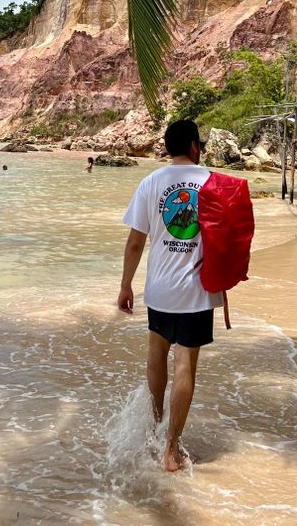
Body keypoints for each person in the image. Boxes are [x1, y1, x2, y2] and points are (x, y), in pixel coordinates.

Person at [117, 119, 222, 472]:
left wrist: (125, 285)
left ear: (167, 147)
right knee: (184, 365)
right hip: (196, 290)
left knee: (156, 354)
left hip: (159, 289)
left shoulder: (150, 182)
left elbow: (135, 242)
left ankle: (154, 429)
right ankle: (171, 448)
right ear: (195, 146)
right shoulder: (212, 182)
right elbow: (227, 241)